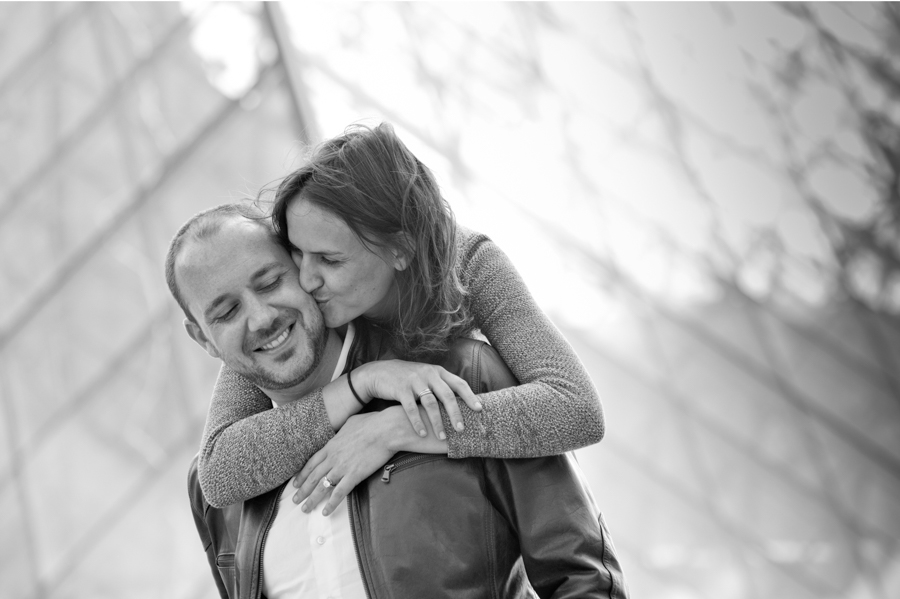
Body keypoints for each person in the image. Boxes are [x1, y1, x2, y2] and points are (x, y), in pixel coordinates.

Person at [170, 204, 627, 598]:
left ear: (307, 270)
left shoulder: (460, 376)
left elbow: (581, 577)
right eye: (226, 312)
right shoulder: (217, 486)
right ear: (202, 338)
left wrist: (402, 427)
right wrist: (358, 386)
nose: (261, 318)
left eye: (270, 282)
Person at [196, 123, 607, 515]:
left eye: (330, 260)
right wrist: (367, 380)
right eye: (297, 255)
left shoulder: (467, 263)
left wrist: (395, 429)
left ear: (400, 249)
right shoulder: (287, 302)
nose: (305, 279)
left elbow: (575, 408)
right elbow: (218, 473)